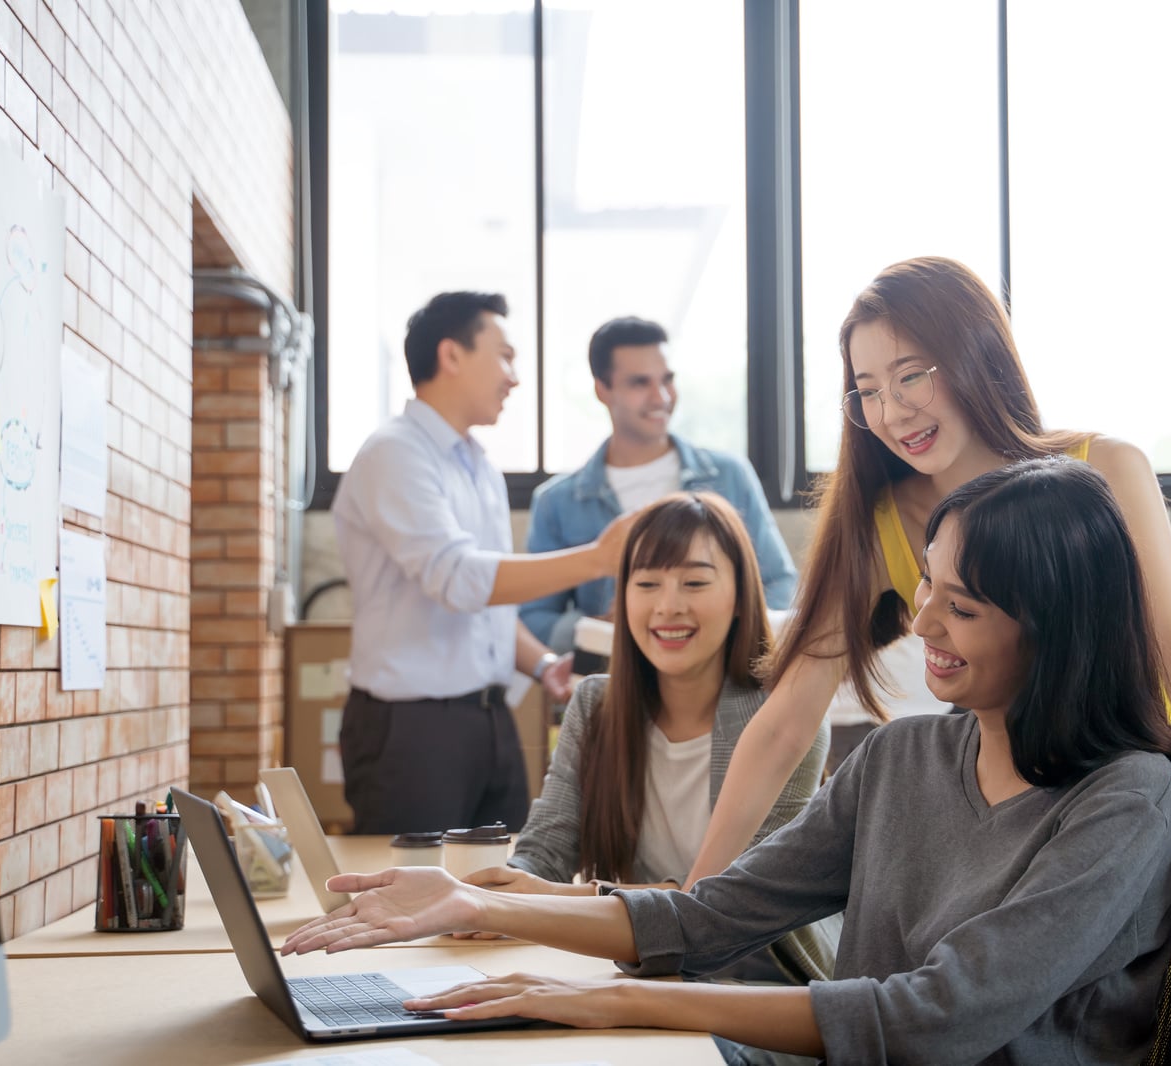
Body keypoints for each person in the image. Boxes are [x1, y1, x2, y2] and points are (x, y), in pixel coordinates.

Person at [284, 459, 1171, 1065]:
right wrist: (475, 901)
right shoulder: (902, 756)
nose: (921, 628)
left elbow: (937, 1018)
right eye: (926, 593)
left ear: (1058, 622)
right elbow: (713, 912)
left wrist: (620, 1004)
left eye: (964, 608)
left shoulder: (1127, 797)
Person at [679, 256, 1171, 1065]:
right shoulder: (882, 519)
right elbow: (782, 725)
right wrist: (696, 910)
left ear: (979, 354)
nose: (891, 409)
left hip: (1116, 824)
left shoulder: (1104, 468)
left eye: (912, 374)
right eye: (868, 389)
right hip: (1007, 844)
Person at [465, 491, 834, 982]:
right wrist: (497, 891)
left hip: (758, 978)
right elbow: (546, 853)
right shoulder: (595, 705)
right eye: (647, 583)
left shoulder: (787, 719)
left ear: (742, 597)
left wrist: (568, 898)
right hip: (649, 971)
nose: (668, 606)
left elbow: (730, 901)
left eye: (696, 582)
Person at [331, 291, 637, 836]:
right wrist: (598, 558)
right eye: (504, 356)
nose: (514, 378)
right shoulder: (394, 453)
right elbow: (459, 579)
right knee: (412, 907)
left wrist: (543, 666)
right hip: (412, 731)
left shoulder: (479, 467)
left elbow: (483, 605)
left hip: (491, 721)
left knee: (499, 894)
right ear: (451, 355)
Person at [522, 317, 797, 652]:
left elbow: (778, 581)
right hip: (615, 684)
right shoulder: (558, 501)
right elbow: (536, 617)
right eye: (640, 383)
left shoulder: (728, 476)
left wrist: (724, 634)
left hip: (724, 680)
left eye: (667, 379)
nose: (661, 396)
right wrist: (602, 631)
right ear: (602, 389)